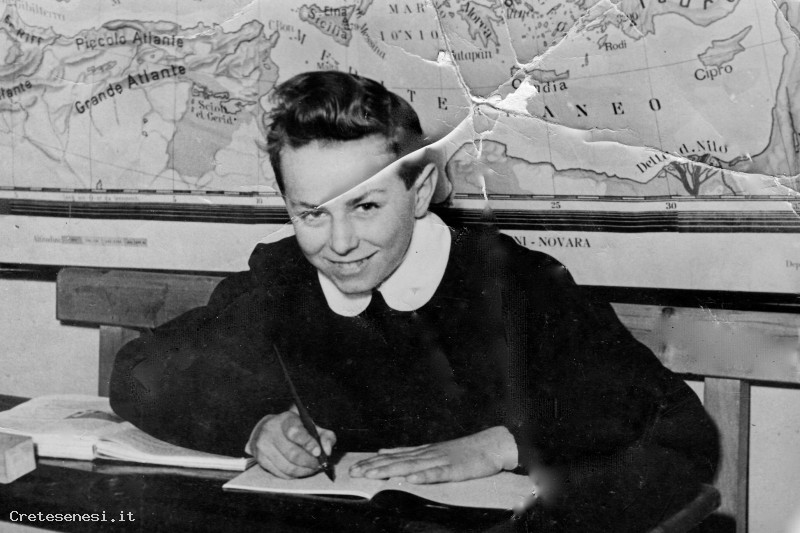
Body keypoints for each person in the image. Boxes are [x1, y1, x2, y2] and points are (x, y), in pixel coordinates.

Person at [109, 71, 718, 531]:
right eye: (311, 213)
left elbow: (672, 420)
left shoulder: (511, 282)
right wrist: (255, 429)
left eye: (366, 206)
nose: (339, 244)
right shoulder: (284, 280)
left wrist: (502, 445)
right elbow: (141, 371)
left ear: (420, 190)